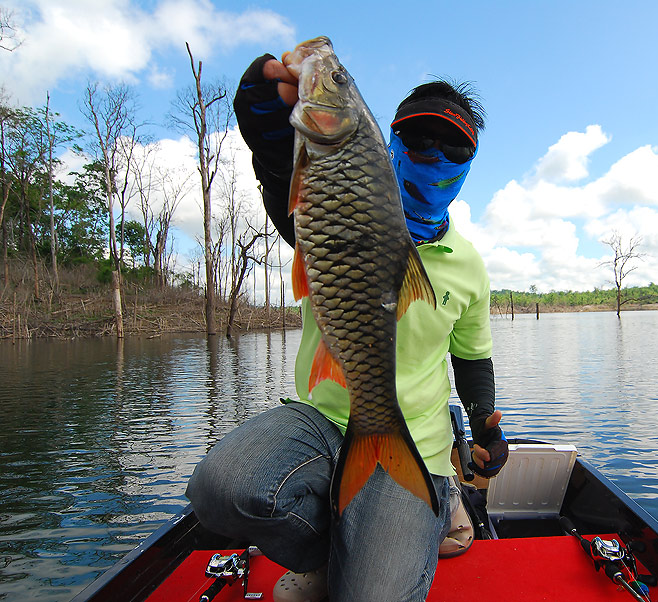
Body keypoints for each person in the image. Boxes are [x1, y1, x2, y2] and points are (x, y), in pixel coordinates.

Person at [186, 51, 508, 602]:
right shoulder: (335, 201)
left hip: (417, 447)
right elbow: (276, 163)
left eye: (452, 149)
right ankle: (334, 549)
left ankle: (435, 503)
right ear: (391, 145)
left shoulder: (468, 264)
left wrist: (484, 423)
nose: (433, 156)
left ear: (467, 166)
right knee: (220, 489)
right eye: (417, 141)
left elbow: (472, 356)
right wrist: (262, 107)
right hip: (320, 420)